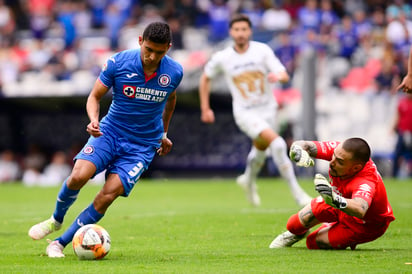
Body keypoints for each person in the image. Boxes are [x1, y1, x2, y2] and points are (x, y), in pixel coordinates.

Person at [28, 22, 183, 258]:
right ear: (140, 41)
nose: (152, 57)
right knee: (78, 176)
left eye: (159, 52)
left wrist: (163, 134)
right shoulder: (118, 62)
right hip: (110, 132)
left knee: (107, 195)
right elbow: (94, 96)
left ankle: (58, 243)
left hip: (142, 146)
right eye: (148, 49)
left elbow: (170, 101)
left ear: (168, 48)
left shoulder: (174, 71)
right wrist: (93, 119)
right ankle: (56, 220)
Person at [199, 14, 311, 207]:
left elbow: (283, 74)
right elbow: (205, 78)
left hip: (268, 109)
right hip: (245, 112)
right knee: (277, 144)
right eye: (237, 30)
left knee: (260, 150)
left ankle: (248, 181)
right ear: (231, 32)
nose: (241, 33)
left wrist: (278, 76)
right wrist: (205, 108)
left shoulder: (262, 51)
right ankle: (298, 194)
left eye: (244, 29)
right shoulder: (223, 57)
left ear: (250, 31)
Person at [269, 138, 395, 250]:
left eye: (340, 162)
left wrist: (335, 199)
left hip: (363, 224)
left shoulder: (366, 181)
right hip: (338, 200)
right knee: (293, 225)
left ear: (356, 168)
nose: (332, 162)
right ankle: (302, 232)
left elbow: (360, 208)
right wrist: (297, 151)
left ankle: (332, 226)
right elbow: (304, 144)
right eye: (333, 156)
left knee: (312, 242)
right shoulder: (341, 152)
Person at [392, 92, 412, 178]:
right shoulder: (402, 102)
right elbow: (398, 116)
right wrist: (392, 128)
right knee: (398, 154)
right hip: (402, 133)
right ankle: (394, 174)